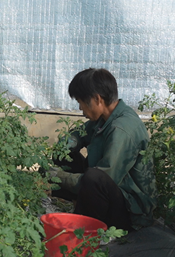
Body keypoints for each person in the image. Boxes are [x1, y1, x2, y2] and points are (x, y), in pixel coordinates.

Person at [50, 68, 157, 231]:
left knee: (93, 177)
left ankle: (86, 226)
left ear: (97, 99)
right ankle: (79, 208)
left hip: (131, 211)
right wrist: (66, 146)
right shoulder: (104, 118)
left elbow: (101, 180)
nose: (80, 108)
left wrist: (58, 176)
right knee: (63, 154)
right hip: (110, 192)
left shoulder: (121, 130)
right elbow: (78, 134)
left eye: (80, 102)